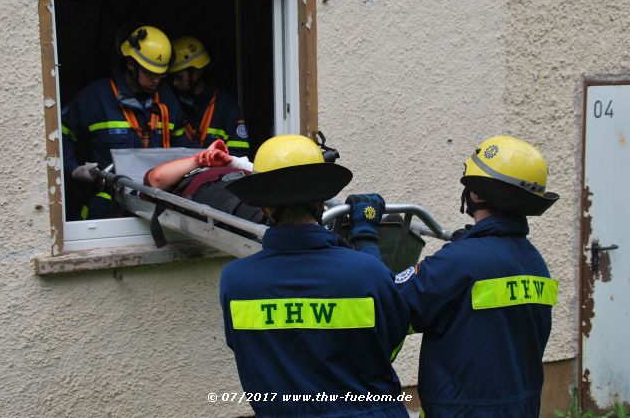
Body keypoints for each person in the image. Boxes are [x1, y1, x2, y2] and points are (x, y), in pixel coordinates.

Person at [219, 134, 410, 417]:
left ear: (262, 208)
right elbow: (390, 344)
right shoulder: (367, 273)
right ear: (322, 203)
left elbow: (248, 352)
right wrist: (365, 239)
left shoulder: (236, 280)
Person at [389, 136, 561, 417]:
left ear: (478, 194)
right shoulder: (534, 261)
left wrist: (366, 244)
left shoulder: (457, 262)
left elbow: (390, 305)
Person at [62, 24, 189, 220]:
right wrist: (73, 169)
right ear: (131, 64)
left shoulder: (168, 100)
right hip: (107, 211)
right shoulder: (96, 98)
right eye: (150, 73)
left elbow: (185, 148)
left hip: (156, 207)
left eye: (161, 75)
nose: (156, 80)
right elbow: (58, 134)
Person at [144, 139, 263, 226]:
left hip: (252, 184)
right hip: (224, 194)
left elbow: (269, 175)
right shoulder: (186, 176)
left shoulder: (237, 164)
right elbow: (157, 178)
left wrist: (232, 161)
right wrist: (201, 159)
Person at [168, 36, 250, 157]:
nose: (174, 83)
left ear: (198, 72)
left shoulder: (226, 105)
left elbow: (240, 153)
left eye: (179, 77)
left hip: (218, 174)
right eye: (172, 78)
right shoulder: (171, 103)